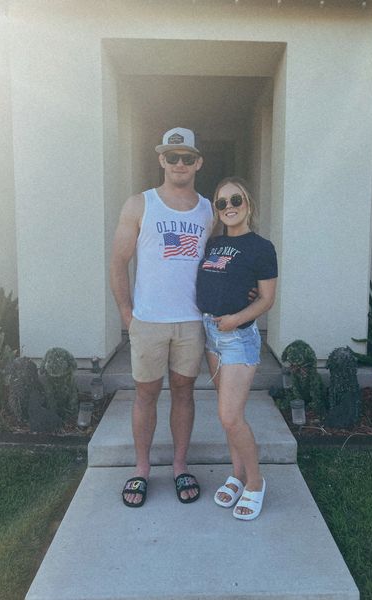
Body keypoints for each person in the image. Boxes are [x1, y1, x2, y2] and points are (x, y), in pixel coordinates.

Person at [110, 127, 213, 507]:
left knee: (184, 392)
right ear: (162, 160)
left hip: (190, 321)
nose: (180, 163)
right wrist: (127, 314)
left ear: (198, 162)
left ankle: (180, 465)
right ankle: (141, 469)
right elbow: (119, 262)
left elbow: (218, 263)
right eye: (173, 157)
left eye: (188, 157)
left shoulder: (208, 210)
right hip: (149, 321)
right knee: (146, 394)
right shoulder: (140, 204)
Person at [196, 176, 278, 520]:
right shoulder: (212, 244)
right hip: (211, 333)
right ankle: (237, 473)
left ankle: (256, 482)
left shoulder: (261, 247)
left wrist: (237, 318)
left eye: (235, 200)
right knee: (229, 418)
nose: (228, 207)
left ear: (248, 205)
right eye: (221, 203)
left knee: (230, 416)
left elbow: (267, 299)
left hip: (237, 337)